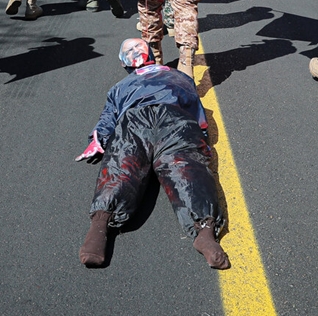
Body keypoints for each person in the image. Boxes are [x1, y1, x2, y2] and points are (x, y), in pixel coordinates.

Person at [76, 38, 230, 270]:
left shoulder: (166, 78)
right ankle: (100, 226)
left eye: (137, 47)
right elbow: (108, 117)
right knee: (131, 165)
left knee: (177, 168)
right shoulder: (134, 85)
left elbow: (107, 120)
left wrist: (200, 139)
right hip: (152, 120)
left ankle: (205, 232)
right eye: (130, 49)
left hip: (159, 119)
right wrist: (98, 139)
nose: (135, 51)